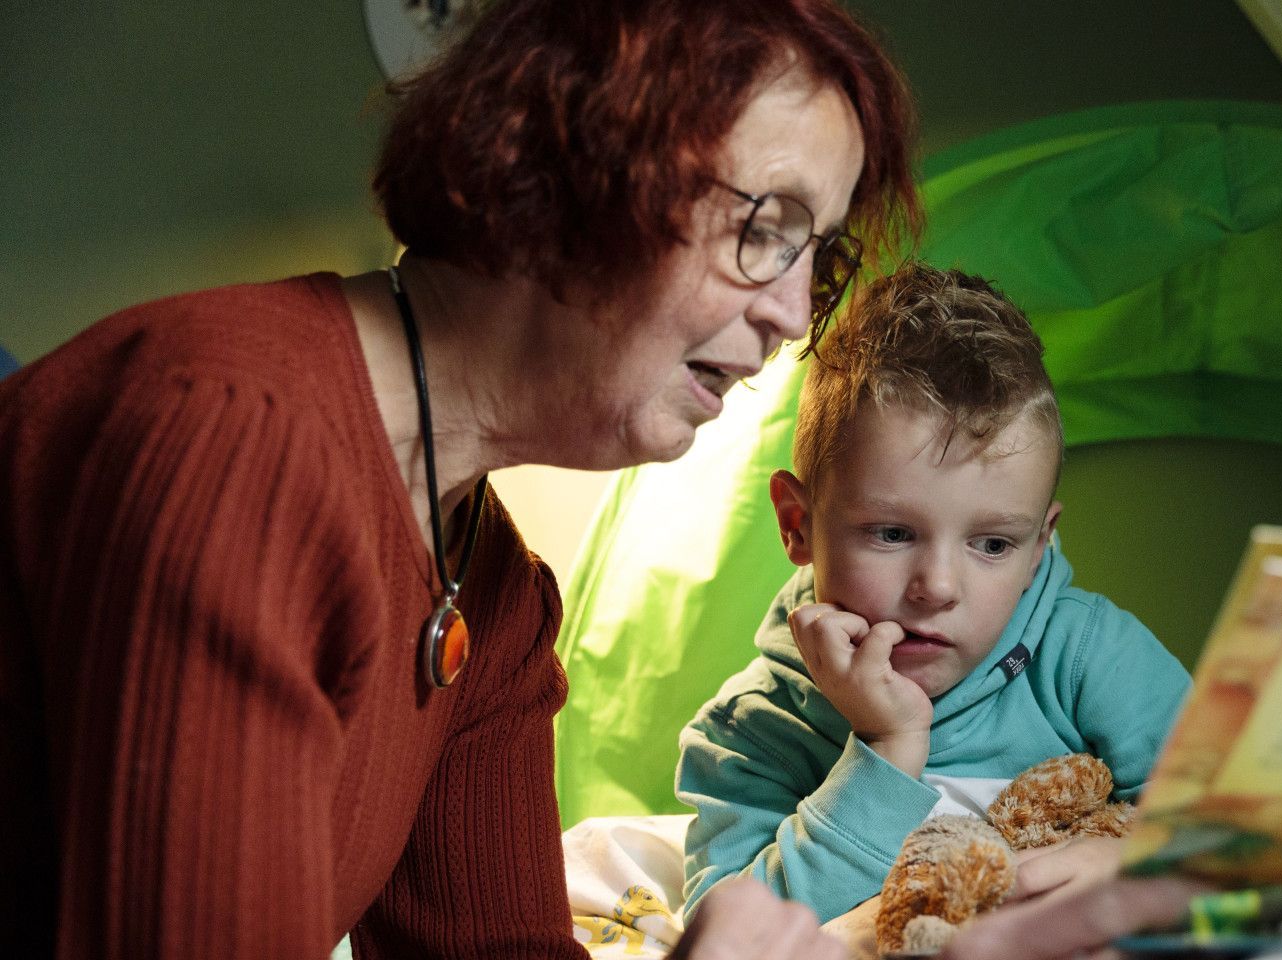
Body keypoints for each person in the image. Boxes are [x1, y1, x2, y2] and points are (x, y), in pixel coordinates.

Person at [0, 1, 916, 957]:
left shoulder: (497, 596)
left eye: (822, 256)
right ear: (576, 168)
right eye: (769, 228)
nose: (795, 311)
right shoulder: (236, 440)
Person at [676, 264, 1194, 924]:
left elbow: (1243, 826)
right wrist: (887, 750)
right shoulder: (757, 729)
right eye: (892, 532)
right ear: (797, 525)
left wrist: (1130, 860)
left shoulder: (1091, 657)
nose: (939, 587)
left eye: (994, 545)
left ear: (1040, 546)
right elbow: (728, 938)